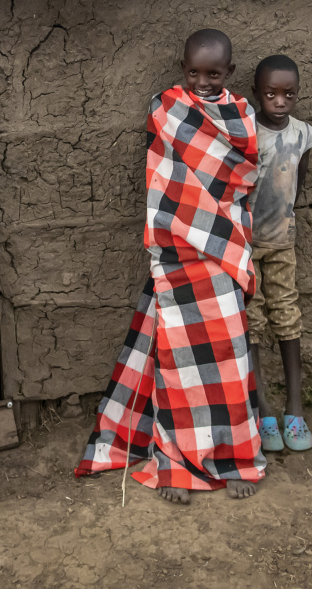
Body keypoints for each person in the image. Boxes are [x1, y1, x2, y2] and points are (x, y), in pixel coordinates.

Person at [76, 29, 266, 504]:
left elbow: (242, 183)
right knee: (178, 367)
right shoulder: (165, 108)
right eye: (193, 72)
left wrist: (228, 236)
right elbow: (164, 178)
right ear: (182, 69)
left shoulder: (241, 117)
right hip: (178, 255)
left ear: (231, 74)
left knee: (230, 363)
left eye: (214, 74)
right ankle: (176, 462)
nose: (202, 82)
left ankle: (236, 459)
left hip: (222, 252)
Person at [246, 54, 312, 453]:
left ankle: (295, 408)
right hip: (245, 244)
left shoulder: (303, 133)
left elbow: (299, 184)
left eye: (288, 94)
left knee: (287, 315)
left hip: (281, 242)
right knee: (252, 319)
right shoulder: (245, 131)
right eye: (271, 93)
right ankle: (262, 409)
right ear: (257, 93)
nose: (279, 101)